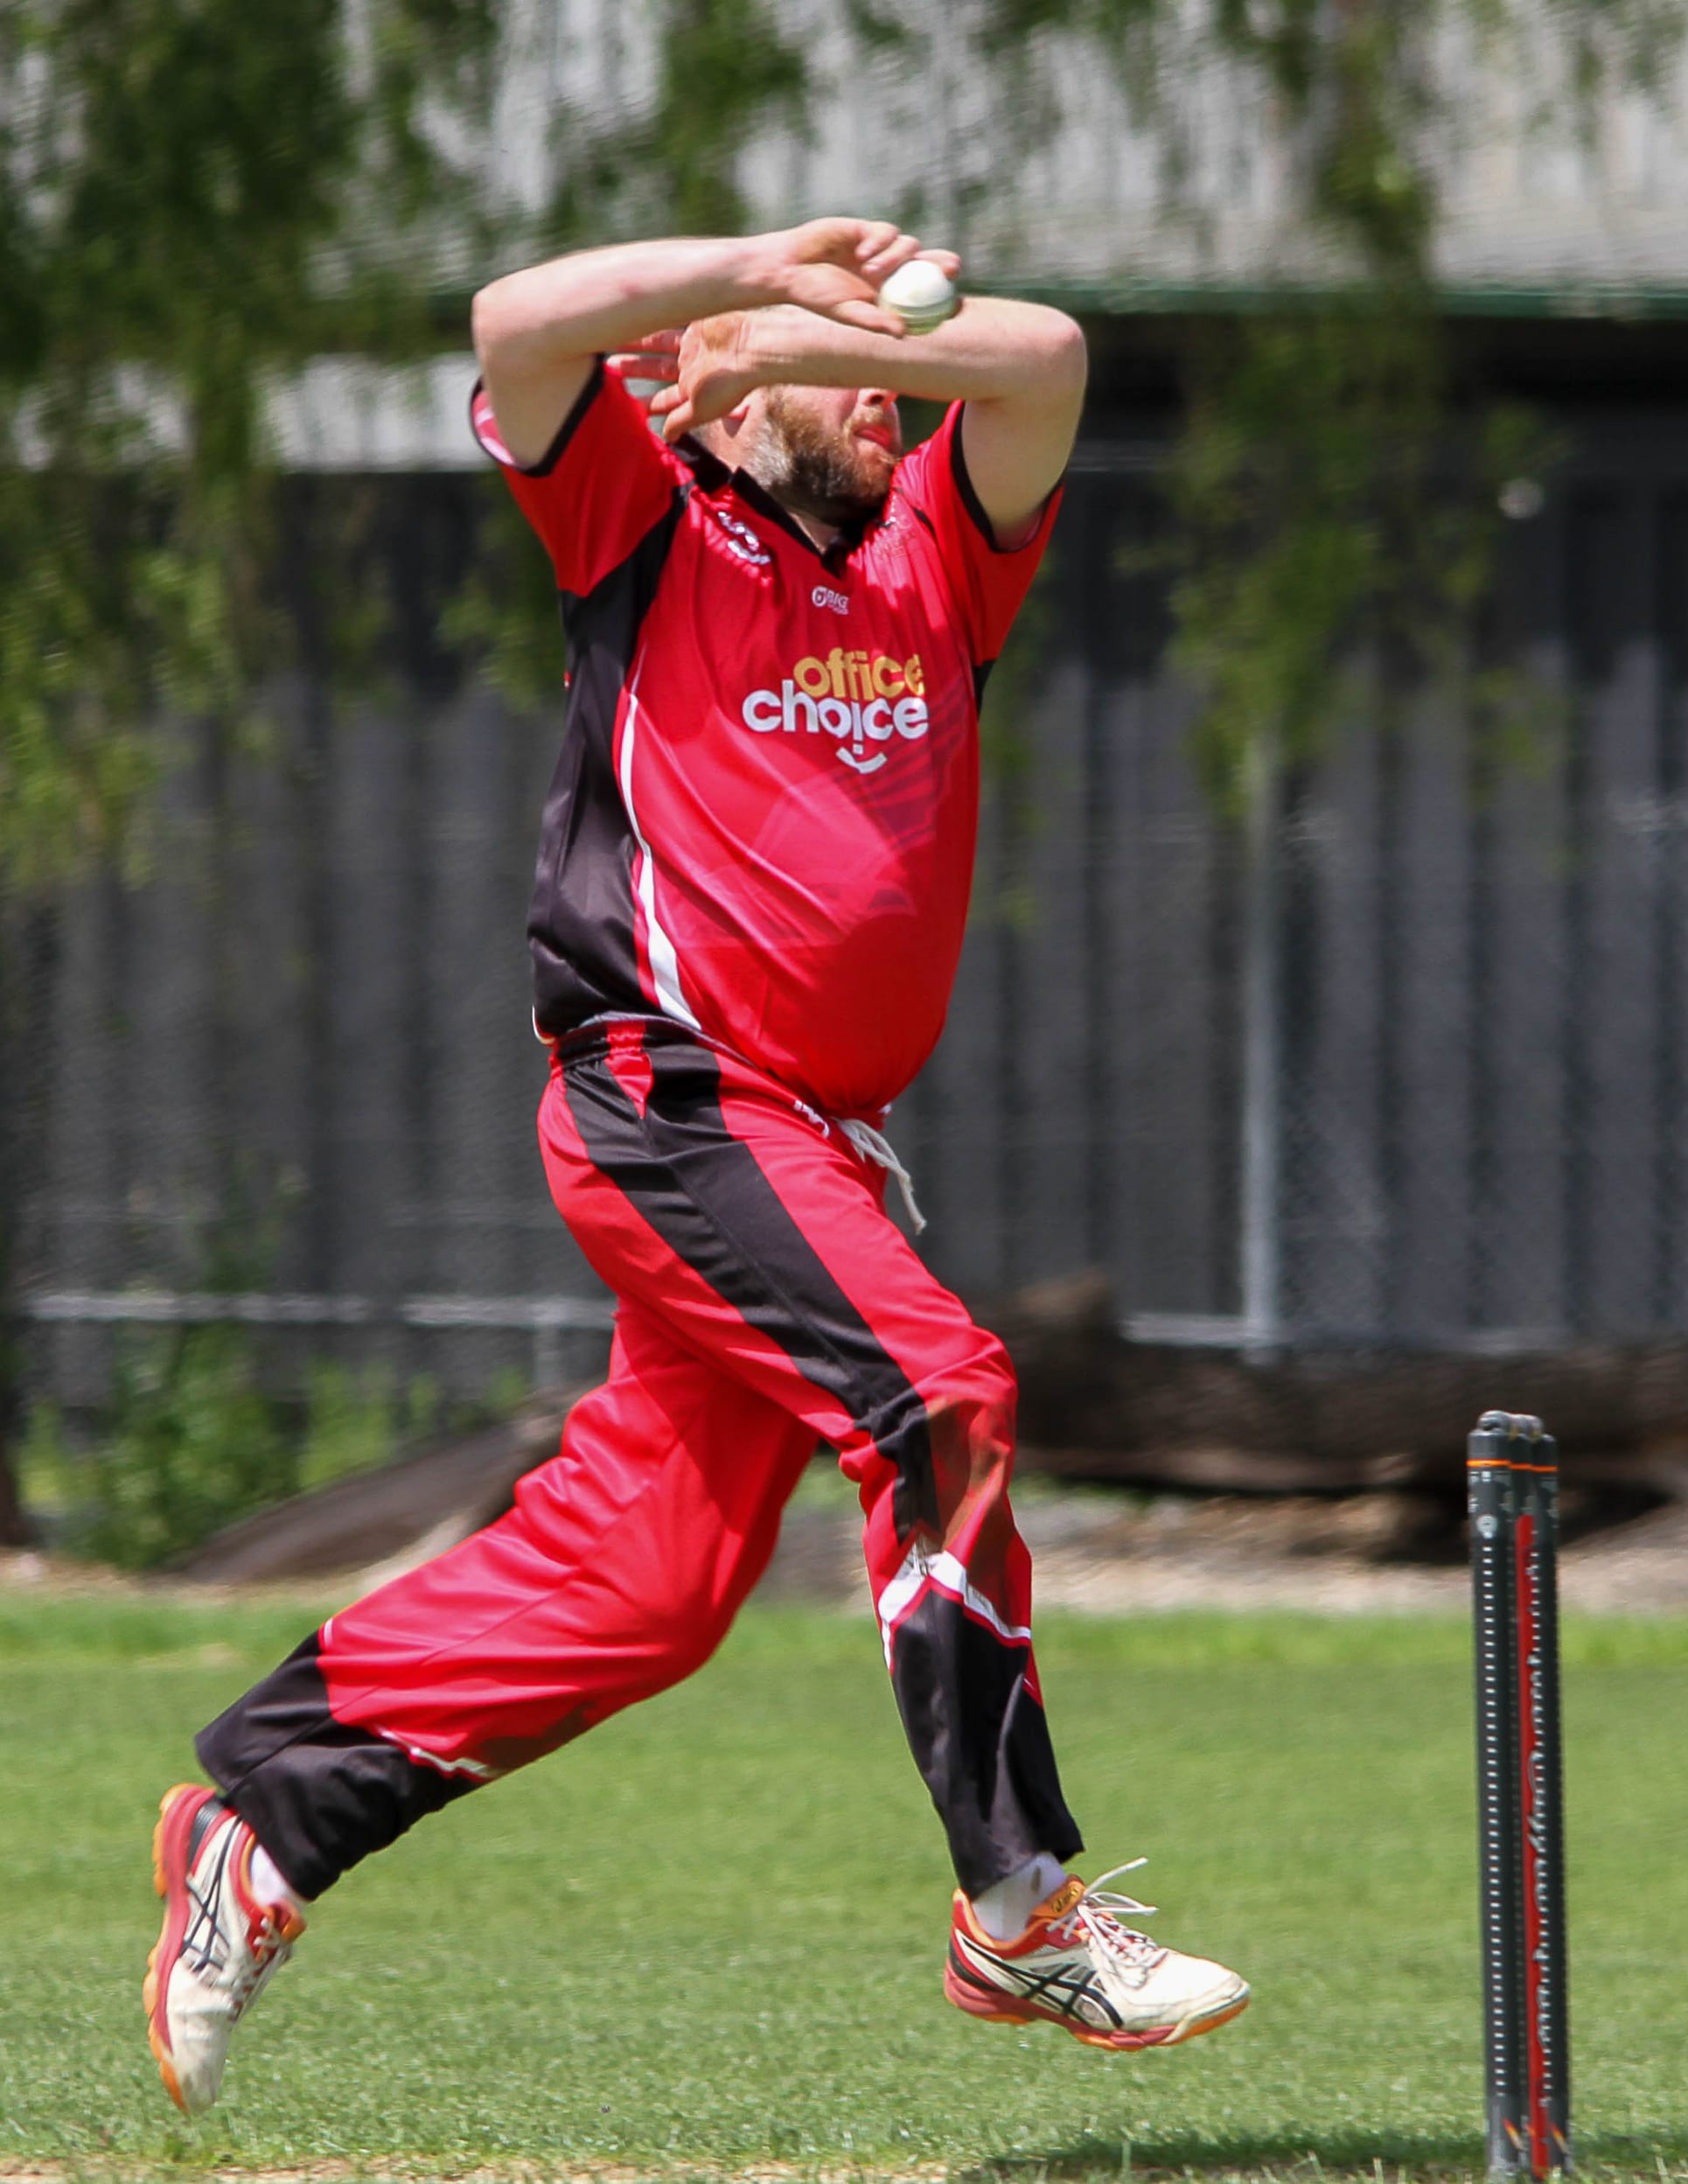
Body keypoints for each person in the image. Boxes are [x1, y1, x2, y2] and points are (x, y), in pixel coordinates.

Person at [141, 218, 1251, 2117]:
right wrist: (743, 279)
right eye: (839, 362)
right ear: (717, 399)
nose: (885, 389)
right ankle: (1020, 1902)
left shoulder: (935, 557)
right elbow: (511, 320)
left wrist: (827, 332)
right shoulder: (648, 528)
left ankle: (265, 1815)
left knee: (647, 1582)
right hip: (675, 1099)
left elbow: (1050, 356)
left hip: (812, 1149)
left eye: (891, 365)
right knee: (939, 1396)